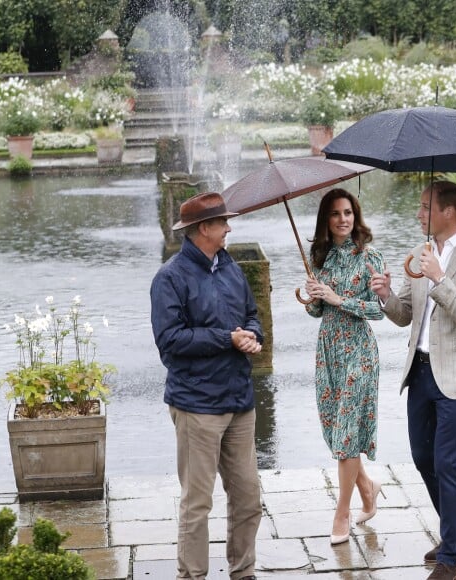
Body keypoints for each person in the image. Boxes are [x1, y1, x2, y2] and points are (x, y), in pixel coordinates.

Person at [369, 181, 456, 580]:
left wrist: (441, 279)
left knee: (447, 462)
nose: (419, 214)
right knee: (423, 458)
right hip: (420, 371)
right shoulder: (419, 254)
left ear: (449, 212)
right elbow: (405, 313)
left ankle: (451, 558)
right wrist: (387, 295)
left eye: (426, 207)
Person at [150, 191, 263, 580]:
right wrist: (225, 339)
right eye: (222, 223)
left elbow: (251, 314)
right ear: (204, 229)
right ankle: (192, 575)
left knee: (249, 497)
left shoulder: (230, 267)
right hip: (196, 405)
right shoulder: (170, 278)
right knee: (197, 503)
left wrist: (251, 335)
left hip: (239, 401)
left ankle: (243, 571)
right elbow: (171, 342)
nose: (229, 228)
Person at [304, 188, 386, 546]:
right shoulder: (319, 258)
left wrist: (339, 299)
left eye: (348, 213)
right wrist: (312, 298)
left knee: (348, 435)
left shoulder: (370, 257)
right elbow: (318, 312)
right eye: (336, 214)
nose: (343, 219)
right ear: (327, 219)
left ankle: (342, 512)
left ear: (356, 216)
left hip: (359, 351)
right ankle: (368, 488)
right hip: (328, 351)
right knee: (338, 433)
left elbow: (379, 310)